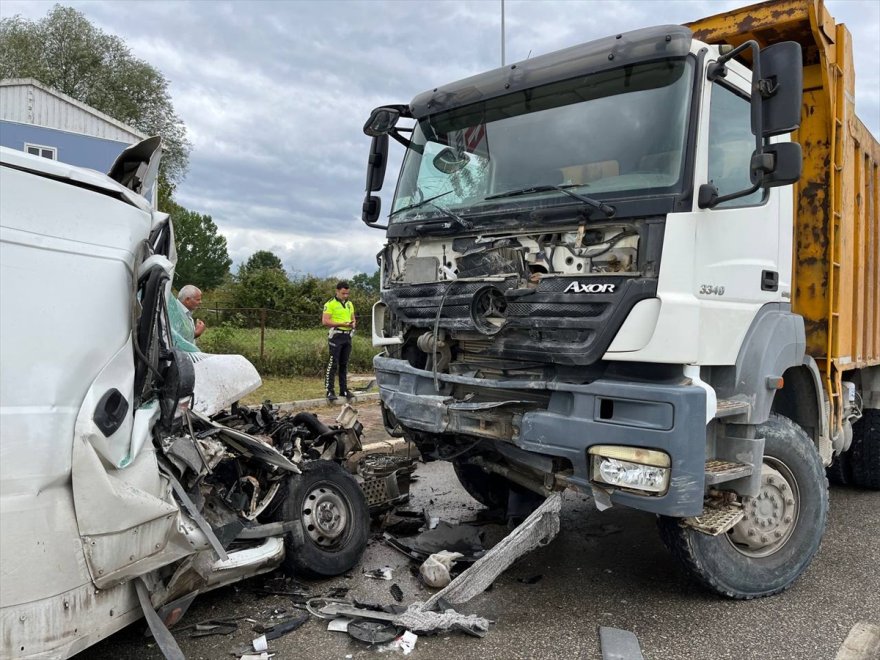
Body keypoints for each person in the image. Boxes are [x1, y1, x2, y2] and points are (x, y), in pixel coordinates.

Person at [322, 281, 356, 401]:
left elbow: (353, 318)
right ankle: (329, 390)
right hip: (336, 335)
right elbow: (325, 321)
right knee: (333, 363)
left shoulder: (349, 304)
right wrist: (340, 324)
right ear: (337, 291)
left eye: (347, 293)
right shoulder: (330, 304)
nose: (345, 296)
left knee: (344, 364)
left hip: (347, 335)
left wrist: (353, 324)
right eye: (343, 293)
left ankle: (344, 390)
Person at [169, 284, 205, 352]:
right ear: (187, 300)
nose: (200, 302)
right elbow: (175, 340)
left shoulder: (184, 312)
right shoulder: (174, 313)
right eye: (198, 300)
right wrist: (196, 333)